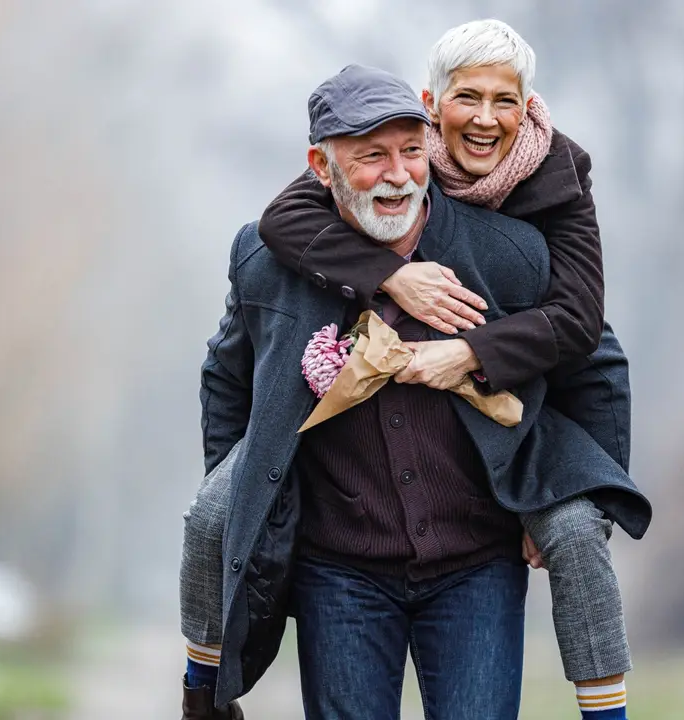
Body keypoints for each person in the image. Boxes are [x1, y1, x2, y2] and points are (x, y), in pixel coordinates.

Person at [182, 62, 648, 720]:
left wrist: (578, 489)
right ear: (322, 166)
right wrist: (251, 505)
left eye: (409, 150)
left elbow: (591, 358)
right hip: (337, 567)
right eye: (371, 157)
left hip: (476, 563)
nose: (397, 173)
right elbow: (227, 381)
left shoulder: (510, 251)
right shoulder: (268, 261)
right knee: (209, 515)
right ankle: (200, 692)